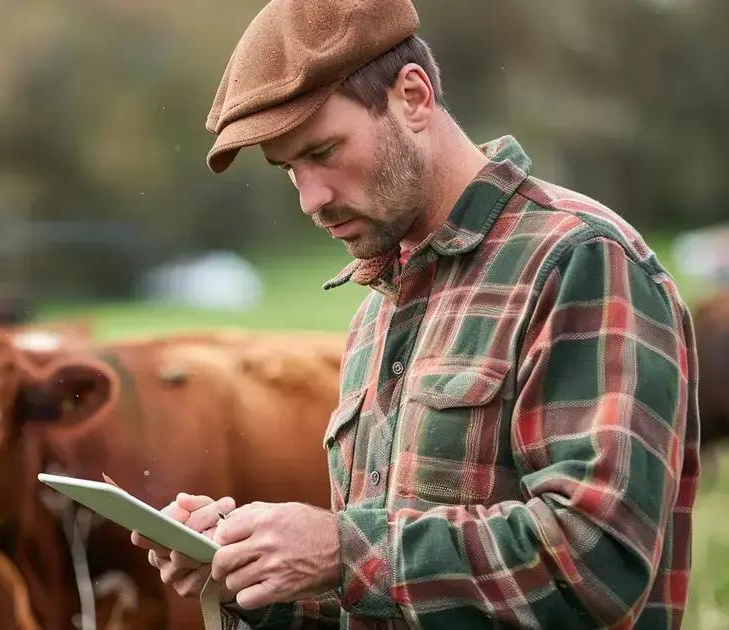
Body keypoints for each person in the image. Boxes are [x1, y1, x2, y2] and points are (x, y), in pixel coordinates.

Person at [131, 1, 700, 628]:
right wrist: (256, 574)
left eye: (323, 151)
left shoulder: (580, 261)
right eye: (290, 169)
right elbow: (393, 601)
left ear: (413, 97)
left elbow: (596, 567)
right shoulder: (378, 312)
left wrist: (339, 551)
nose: (310, 199)